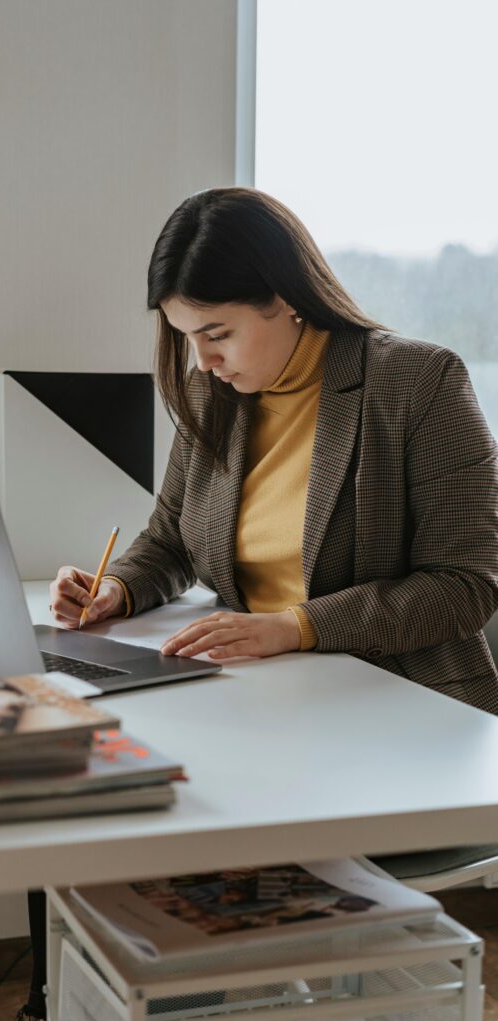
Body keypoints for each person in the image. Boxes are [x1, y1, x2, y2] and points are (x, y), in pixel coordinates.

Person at [50, 187, 498, 713]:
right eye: (186, 336)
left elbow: (464, 586)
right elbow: (172, 540)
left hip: (401, 697)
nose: (202, 361)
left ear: (284, 298)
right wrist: (116, 588)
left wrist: (293, 628)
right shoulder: (213, 393)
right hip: (262, 691)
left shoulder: (418, 381)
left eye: (217, 333)